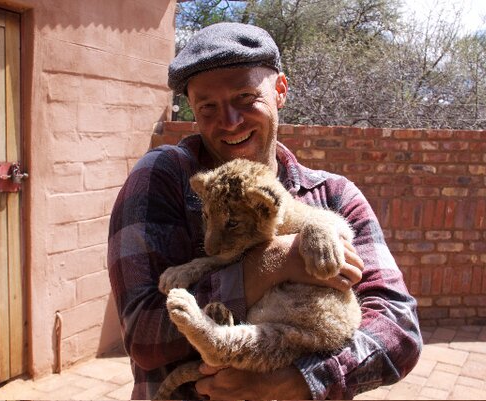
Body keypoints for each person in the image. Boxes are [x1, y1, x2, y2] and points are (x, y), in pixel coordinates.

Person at [108, 22, 422, 400]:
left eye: (245, 97)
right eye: (208, 106)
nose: (230, 120)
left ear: (280, 91)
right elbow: (142, 334)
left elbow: (399, 325)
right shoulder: (165, 174)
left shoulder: (335, 195)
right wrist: (278, 262)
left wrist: (298, 380)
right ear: (193, 110)